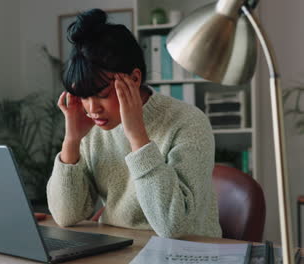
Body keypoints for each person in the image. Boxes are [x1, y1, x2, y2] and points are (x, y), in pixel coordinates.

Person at [46, 8, 222, 238]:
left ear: (134, 78)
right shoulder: (93, 127)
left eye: (101, 94)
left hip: (189, 252)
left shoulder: (188, 122)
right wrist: (72, 141)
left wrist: (137, 135)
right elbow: (65, 216)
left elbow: (173, 226)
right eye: (84, 96)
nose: (92, 108)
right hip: (120, 248)